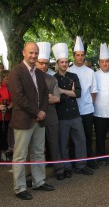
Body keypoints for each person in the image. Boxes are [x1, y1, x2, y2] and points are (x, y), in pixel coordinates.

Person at [9, 42, 54, 200]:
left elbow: (45, 94)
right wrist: (37, 112)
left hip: (39, 120)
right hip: (24, 120)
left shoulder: (40, 73)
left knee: (38, 152)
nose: (34, 56)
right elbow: (18, 98)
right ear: (23, 53)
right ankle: (20, 187)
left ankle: (39, 181)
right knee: (20, 155)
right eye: (31, 53)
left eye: (36, 53)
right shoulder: (16, 72)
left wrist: (41, 111)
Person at [53, 42, 93, 177]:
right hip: (62, 116)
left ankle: (81, 165)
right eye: (62, 62)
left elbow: (78, 93)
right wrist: (69, 93)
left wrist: (63, 91)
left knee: (81, 141)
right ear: (58, 63)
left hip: (76, 115)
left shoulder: (73, 76)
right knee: (64, 143)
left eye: (66, 62)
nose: (64, 64)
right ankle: (67, 167)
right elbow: (57, 97)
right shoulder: (54, 79)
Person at [36, 42, 65, 180]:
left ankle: (59, 169)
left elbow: (57, 99)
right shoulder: (30, 78)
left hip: (52, 116)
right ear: (36, 62)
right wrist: (47, 97)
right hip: (34, 116)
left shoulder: (52, 79)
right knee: (36, 147)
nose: (44, 66)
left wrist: (40, 98)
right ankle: (36, 172)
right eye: (41, 63)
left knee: (54, 142)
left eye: (46, 63)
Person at [69, 36, 98, 169]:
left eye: (82, 55)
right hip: (73, 111)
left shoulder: (90, 72)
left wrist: (89, 104)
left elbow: (93, 91)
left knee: (87, 136)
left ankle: (89, 159)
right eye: (78, 55)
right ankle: (74, 160)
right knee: (73, 137)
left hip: (87, 109)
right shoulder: (68, 71)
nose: (80, 57)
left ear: (84, 56)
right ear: (74, 56)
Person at [93, 43, 109, 165]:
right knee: (100, 136)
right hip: (98, 111)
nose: (105, 64)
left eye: (107, 61)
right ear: (99, 62)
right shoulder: (94, 74)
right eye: (102, 61)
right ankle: (101, 158)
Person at [0, 70, 12, 161]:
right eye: (6, 78)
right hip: (1, 115)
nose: (8, 80)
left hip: (6, 115)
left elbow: (13, 100)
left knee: (4, 134)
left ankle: (3, 152)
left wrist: (8, 107)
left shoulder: (9, 88)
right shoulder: (2, 88)